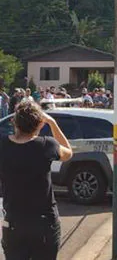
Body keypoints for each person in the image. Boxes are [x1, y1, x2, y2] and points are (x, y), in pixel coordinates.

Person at [0, 101, 73, 259]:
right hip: (44, 222)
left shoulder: (3, 145)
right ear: (39, 124)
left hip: (14, 221)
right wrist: (52, 123)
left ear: (15, 122)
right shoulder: (47, 145)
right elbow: (68, 153)